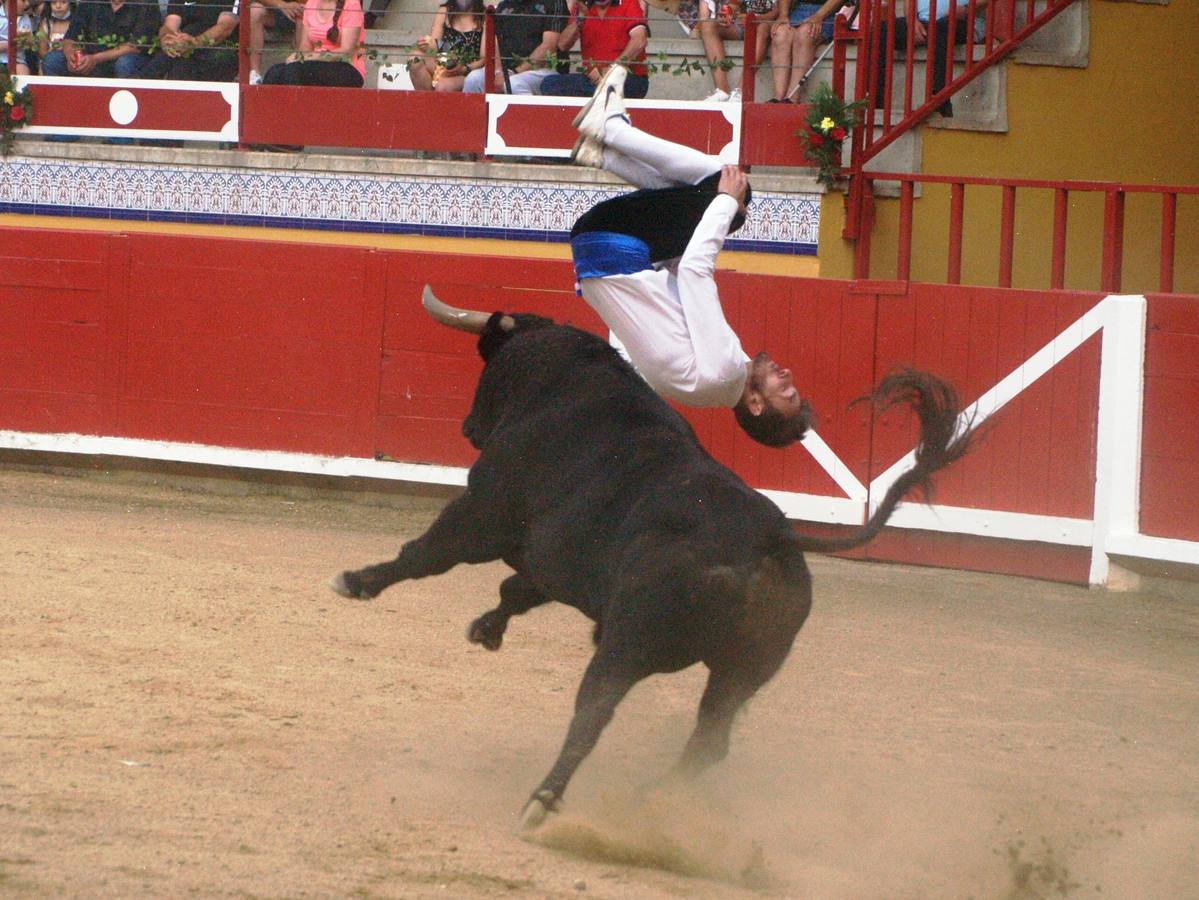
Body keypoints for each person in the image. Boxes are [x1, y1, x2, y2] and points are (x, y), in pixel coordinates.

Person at [567, 65, 811, 447]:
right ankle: (602, 153)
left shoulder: (725, 371)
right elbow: (678, 282)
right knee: (717, 203)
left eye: (788, 392)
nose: (788, 375)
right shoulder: (713, 387)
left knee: (732, 193)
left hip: (615, 242)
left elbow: (696, 271)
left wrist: (726, 203)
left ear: (757, 404)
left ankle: (611, 129)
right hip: (601, 251)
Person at [875, 0, 989, 117]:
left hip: (963, 21)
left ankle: (940, 98)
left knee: (942, 28)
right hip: (925, 23)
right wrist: (912, 20)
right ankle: (876, 96)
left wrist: (967, 8)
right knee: (881, 31)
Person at [539, 0, 649, 100]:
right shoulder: (582, 5)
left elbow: (639, 40)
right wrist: (579, 19)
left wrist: (611, 70)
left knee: (606, 87)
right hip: (593, 80)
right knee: (549, 84)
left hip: (628, 78)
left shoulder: (627, 2)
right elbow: (563, 45)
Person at [462, 0, 567, 95]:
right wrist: (499, 72)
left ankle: (529, 116)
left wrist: (515, 72)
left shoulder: (554, 3)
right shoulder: (503, 6)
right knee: (474, 78)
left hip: (543, 70)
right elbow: (496, 43)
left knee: (514, 84)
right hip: (506, 70)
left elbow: (549, 46)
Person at [41, 0, 160, 78]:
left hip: (124, 58)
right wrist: (72, 57)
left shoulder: (146, 3)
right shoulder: (90, 2)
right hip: (90, 57)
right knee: (52, 60)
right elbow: (71, 37)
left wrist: (95, 59)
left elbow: (136, 46)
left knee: (124, 64)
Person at [261, 0, 366, 87]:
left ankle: (295, 111)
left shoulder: (352, 4)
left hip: (348, 67)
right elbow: (305, 46)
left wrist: (311, 57)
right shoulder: (311, 3)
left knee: (294, 71)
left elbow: (346, 51)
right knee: (274, 72)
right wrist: (298, 56)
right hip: (315, 64)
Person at [141, 0, 238, 81]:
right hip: (182, 42)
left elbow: (225, 27)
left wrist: (194, 43)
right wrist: (166, 40)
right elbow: (170, 24)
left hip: (218, 46)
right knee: (158, 63)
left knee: (181, 68)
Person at [407, 0, 484, 93]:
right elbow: (434, 45)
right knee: (414, 59)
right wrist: (426, 44)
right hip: (443, 63)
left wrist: (464, 69)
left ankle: (432, 104)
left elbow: (484, 59)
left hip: (467, 71)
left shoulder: (484, 16)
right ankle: (427, 104)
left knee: (443, 86)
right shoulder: (444, 10)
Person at [783, 0, 845, 101]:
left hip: (829, 13)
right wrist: (783, 14)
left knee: (806, 33)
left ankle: (792, 97)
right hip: (798, 10)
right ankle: (778, 97)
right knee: (781, 34)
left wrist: (818, 16)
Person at [248, 0, 302, 84]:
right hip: (276, 9)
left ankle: (299, 69)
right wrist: (282, 5)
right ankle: (254, 74)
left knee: (304, 12)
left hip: (305, 9)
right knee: (255, 10)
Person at [1, 0, 38, 74]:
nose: (27, 3)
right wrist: (10, 44)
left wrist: (28, 41)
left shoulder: (25, 18)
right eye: (23, 0)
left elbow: (28, 43)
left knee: (22, 73)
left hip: (17, 60)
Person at [35, 0, 73, 66]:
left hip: (72, 62)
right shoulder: (46, 24)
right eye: (54, 3)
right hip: (51, 64)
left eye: (63, 2)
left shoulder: (76, 23)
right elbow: (41, 51)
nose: (58, 6)